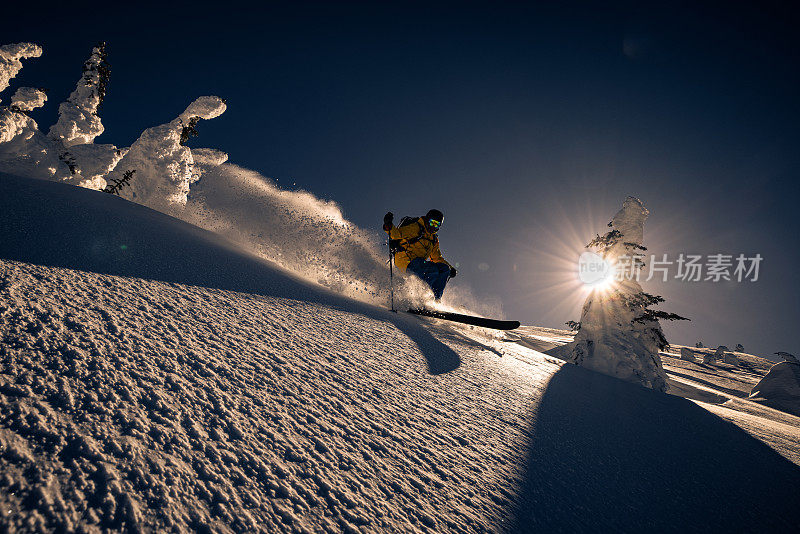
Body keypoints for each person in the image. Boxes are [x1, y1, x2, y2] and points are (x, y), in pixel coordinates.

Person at [383, 209, 457, 301]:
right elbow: (396, 234)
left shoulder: (433, 239)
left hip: (420, 264)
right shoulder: (416, 228)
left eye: (437, 224)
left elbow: (437, 258)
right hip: (405, 261)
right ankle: (424, 298)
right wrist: (388, 224)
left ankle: (435, 300)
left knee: (444, 269)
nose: (433, 227)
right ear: (427, 220)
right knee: (431, 270)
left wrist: (450, 268)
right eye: (432, 223)